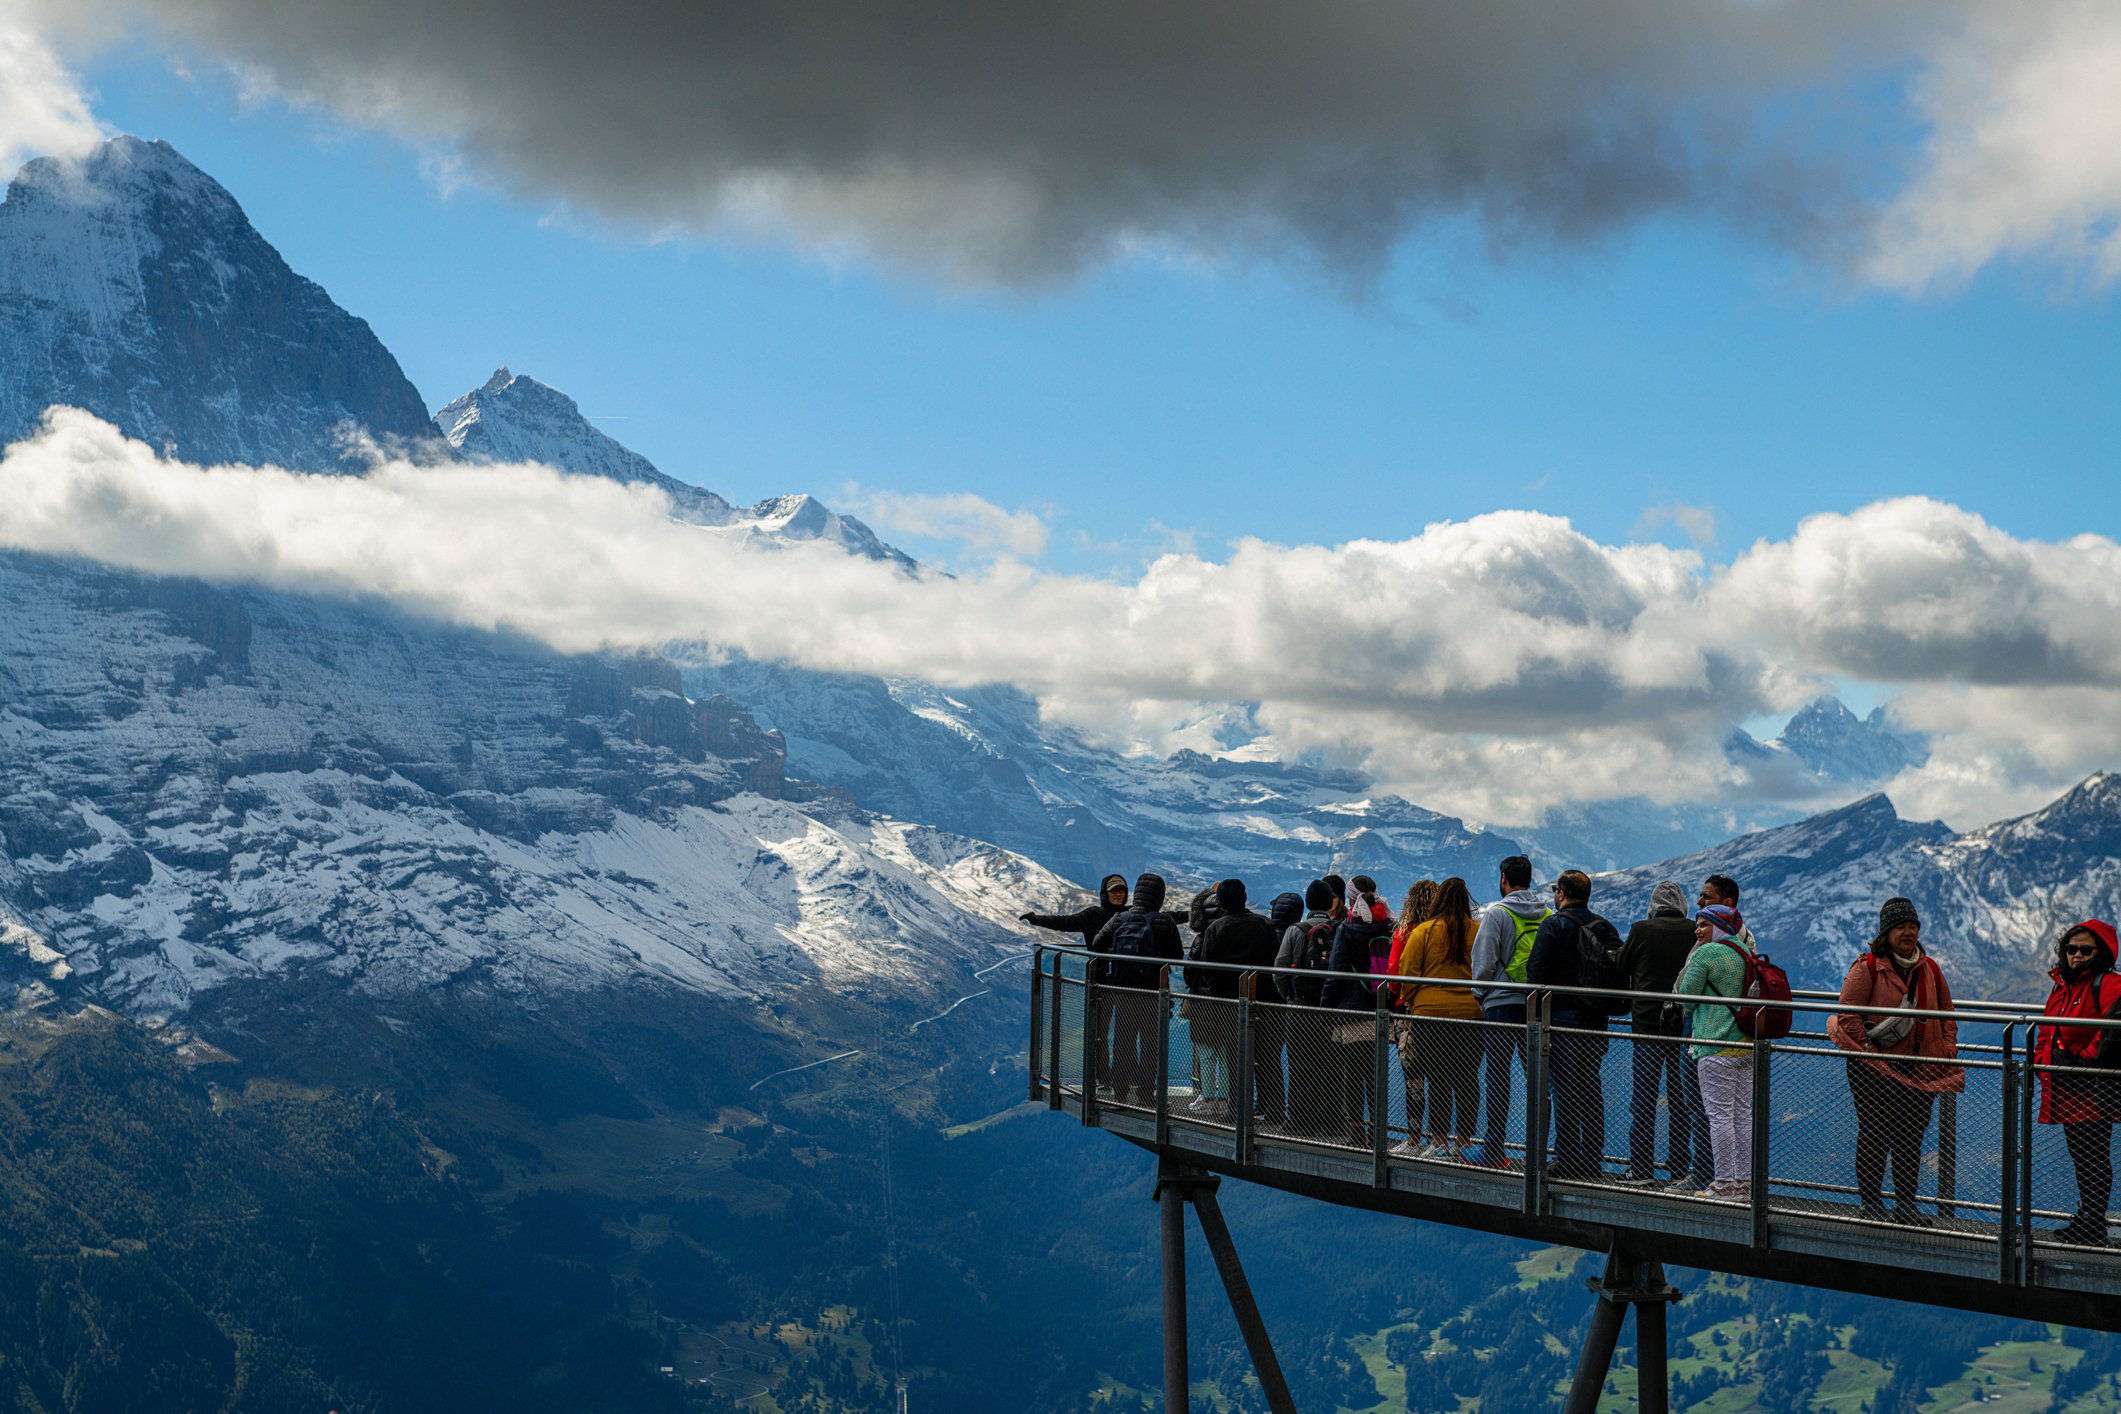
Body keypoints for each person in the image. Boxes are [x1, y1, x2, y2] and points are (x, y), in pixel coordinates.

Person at [1828, 897, 1962, 1225]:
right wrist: (1870, 1054)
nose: (1908, 932)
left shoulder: (1930, 969)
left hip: (1920, 1067)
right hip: (1872, 1069)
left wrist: (1947, 1049)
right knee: (1875, 1133)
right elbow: (1848, 1016)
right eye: (1900, 926)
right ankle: (1872, 1204)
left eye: (1913, 926)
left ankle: (1905, 1206)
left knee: (1910, 1137)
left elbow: (1947, 1012)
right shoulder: (1868, 967)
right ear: (1886, 932)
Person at [2036, 921, 2121, 1246]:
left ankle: (2092, 1224)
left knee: (2093, 1154)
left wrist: (2084, 1060)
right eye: (2071, 949)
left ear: (2101, 953)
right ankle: (2088, 1219)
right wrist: (2043, 1062)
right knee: (2082, 1154)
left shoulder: (2108, 984)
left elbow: (2113, 1028)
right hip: (2067, 1083)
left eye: (2086, 949)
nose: (2077, 955)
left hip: (2093, 1086)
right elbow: (2047, 1028)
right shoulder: (2062, 986)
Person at [1527, 870, 1614, 1181]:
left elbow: (1536, 970)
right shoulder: (1603, 926)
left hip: (1561, 1017)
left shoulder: (1554, 925)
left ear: (1561, 894)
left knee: (1564, 1089)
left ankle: (1566, 1159)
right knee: (1590, 1087)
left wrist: (1536, 1013)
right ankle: (1591, 1159)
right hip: (1596, 1018)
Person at [1614, 881, 1697, 1187]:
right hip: (1681, 1027)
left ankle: (1641, 1169)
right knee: (1681, 1101)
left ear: (1654, 906)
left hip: (1647, 1026)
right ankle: (1679, 1170)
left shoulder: (1641, 930)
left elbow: (1620, 966)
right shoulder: (1694, 931)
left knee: (1644, 1099)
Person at [1467, 855, 1548, 1168]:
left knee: (1498, 1078)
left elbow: (1483, 962)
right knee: (1538, 1079)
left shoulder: (1497, 913)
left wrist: (1481, 996)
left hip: (1501, 1004)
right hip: (1537, 1006)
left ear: (1504, 878)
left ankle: (1493, 1151)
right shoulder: (1547, 914)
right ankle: (1537, 1153)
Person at [1394, 876, 1482, 1160]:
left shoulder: (1424, 932)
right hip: (1471, 1015)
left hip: (1430, 1016)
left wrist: (1413, 1000)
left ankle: (1440, 1141)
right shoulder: (1477, 931)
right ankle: (1464, 1141)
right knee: (1467, 1078)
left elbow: (1407, 973)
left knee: (1438, 1078)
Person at [1674, 904, 1755, 1200]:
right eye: (1698, 924)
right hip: (1745, 1043)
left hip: (1715, 1044)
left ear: (1719, 927)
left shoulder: (1706, 953)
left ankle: (1723, 1184)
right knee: (1742, 1115)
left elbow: (1685, 997)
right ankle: (1744, 1184)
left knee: (1719, 1117)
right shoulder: (1744, 952)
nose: (1698, 931)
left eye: (1704, 925)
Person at [1023, 875, 1130, 1088]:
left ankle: (1123, 1079)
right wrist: (1037, 919)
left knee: (1124, 1032)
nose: (1118, 894)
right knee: (1099, 1031)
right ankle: (1104, 1078)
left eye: (1121, 890)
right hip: (1100, 982)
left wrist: (1195, 914)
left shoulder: (1133, 913)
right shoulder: (1093, 915)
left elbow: (1168, 918)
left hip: (1126, 981)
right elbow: (1065, 922)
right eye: (1113, 891)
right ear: (1105, 893)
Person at [1088, 874, 1186, 1106]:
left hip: (1123, 992)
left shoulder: (1120, 918)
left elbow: (1097, 944)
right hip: (1153, 993)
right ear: (1159, 895)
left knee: (1123, 1042)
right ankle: (1145, 1095)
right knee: (1151, 1045)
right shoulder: (1164, 921)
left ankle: (1120, 1094)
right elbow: (1177, 955)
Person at [1199, 880, 1286, 1123]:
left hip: (1233, 1002)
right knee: (1269, 1056)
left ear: (1221, 903)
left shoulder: (1216, 928)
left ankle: (1238, 1109)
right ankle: (1273, 1107)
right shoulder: (1264, 923)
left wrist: (1223, 993)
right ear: (1244, 898)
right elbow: (1275, 960)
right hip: (1267, 1001)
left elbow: (1209, 970)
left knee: (1237, 1057)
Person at [1322, 876, 1395, 1147]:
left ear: (1352, 898)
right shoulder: (1388, 924)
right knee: (1375, 1075)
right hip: (1380, 1010)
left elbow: (1336, 971)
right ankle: (1377, 1131)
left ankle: (1356, 1132)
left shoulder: (1347, 928)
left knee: (1352, 1073)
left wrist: (1325, 1009)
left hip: (1351, 1010)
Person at [1275, 880, 1341, 1134]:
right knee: (1332, 1066)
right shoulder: (1340, 929)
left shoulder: (1296, 930)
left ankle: (1300, 1122)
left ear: (1308, 903)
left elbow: (1280, 970)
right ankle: (1332, 1123)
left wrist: (1289, 996)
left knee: (1300, 1066)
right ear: (1329, 904)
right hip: (1333, 1011)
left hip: (1299, 1008)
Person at [1385, 880, 1441, 1155]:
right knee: (1440, 1078)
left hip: (1407, 1013)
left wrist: (1400, 995)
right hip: (1439, 1011)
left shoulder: (1404, 932)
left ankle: (1414, 1140)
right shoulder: (1444, 931)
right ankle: (1439, 1140)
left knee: (1414, 1081)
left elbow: (1394, 974)